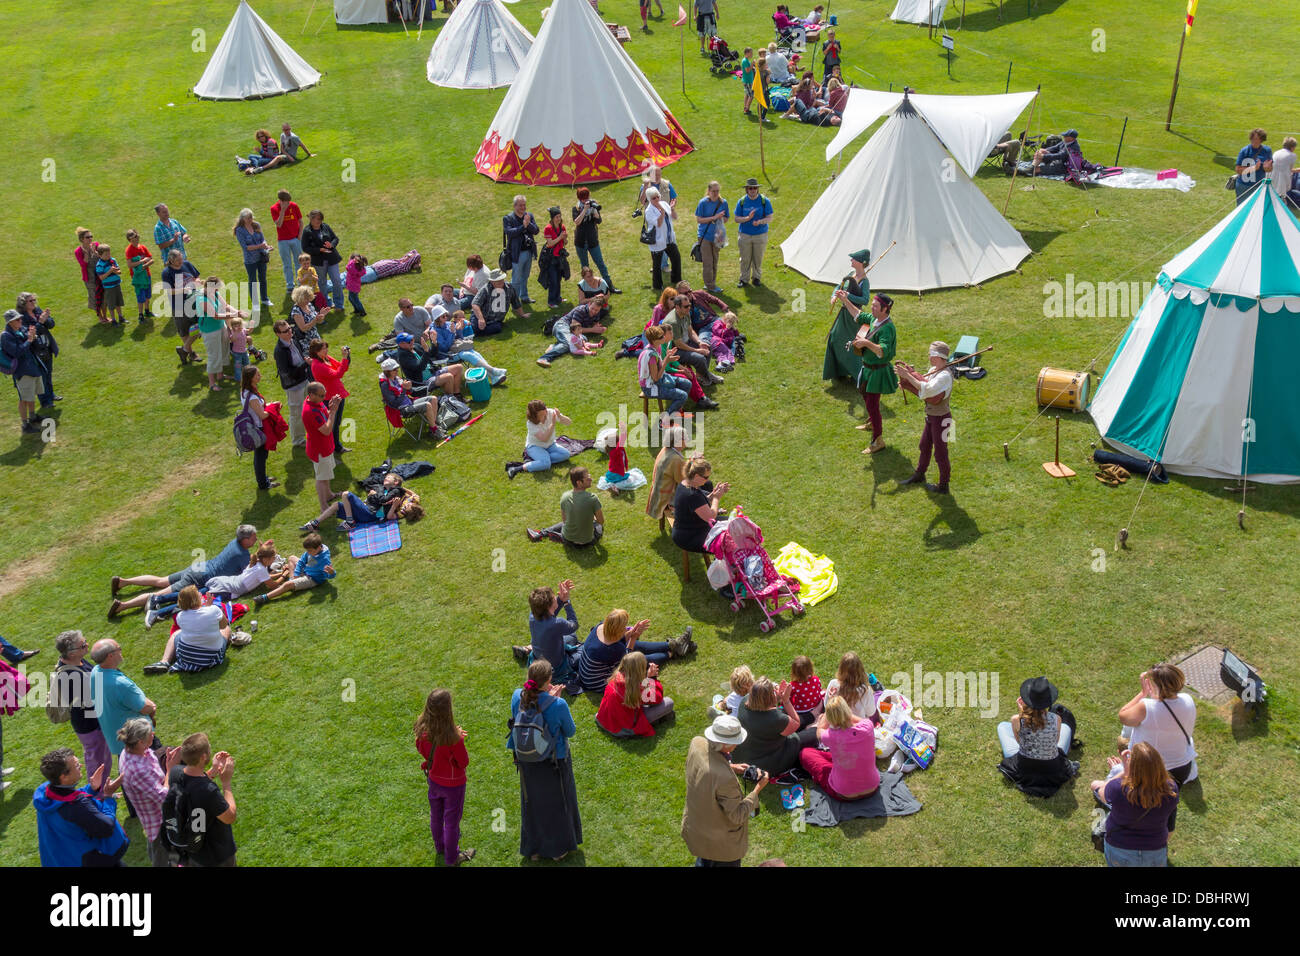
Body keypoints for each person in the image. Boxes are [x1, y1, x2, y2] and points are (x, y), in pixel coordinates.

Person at [509, 660, 581, 861]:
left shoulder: (517, 696)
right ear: (549, 680)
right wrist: (555, 701)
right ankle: (557, 850)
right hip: (554, 761)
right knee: (558, 804)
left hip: (526, 760)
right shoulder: (558, 704)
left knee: (532, 804)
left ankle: (534, 850)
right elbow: (570, 731)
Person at [108, 524, 261, 617]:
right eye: (253, 537)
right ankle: (123, 606)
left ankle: (123, 582)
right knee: (159, 594)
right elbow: (249, 573)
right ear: (245, 540)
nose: (255, 539)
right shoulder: (242, 554)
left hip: (199, 566)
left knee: (160, 580)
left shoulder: (234, 542)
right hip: (201, 577)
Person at [681, 714, 768, 867]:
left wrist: (731, 766)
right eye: (734, 742)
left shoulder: (697, 742)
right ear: (724, 744)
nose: (736, 746)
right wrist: (757, 789)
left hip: (697, 827)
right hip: (721, 845)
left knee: (703, 861)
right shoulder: (724, 779)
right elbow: (737, 815)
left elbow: (708, 764)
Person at [33, 748, 129, 867]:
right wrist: (109, 797)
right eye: (77, 766)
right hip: (91, 860)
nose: (81, 766)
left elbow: (64, 798)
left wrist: (91, 789)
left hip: (63, 858)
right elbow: (106, 827)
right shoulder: (78, 806)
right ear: (64, 777)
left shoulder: (44, 792)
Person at [1090, 742, 1180, 867]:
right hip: (1155, 849)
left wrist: (1124, 772)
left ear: (1133, 767)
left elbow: (1101, 791)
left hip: (1119, 847)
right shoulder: (1171, 789)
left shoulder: (1118, 788)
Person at [415, 688, 475, 866]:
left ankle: (440, 847)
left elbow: (422, 750)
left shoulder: (422, 732)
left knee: (436, 816)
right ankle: (452, 857)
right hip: (453, 786)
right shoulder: (453, 738)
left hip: (434, 780)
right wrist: (459, 739)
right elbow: (463, 762)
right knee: (451, 822)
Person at [114, 718, 182, 866]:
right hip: (159, 824)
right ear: (140, 742)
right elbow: (164, 797)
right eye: (150, 733)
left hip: (160, 819)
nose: (153, 734)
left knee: (174, 855)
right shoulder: (136, 770)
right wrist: (170, 769)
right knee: (163, 859)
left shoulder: (131, 751)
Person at [575, 610, 693, 693]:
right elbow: (628, 662)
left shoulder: (601, 627)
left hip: (589, 672)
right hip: (599, 683)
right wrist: (633, 637)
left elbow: (619, 640)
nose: (627, 627)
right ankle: (672, 653)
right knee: (638, 660)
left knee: (635, 644)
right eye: (624, 627)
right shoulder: (612, 649)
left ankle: (674, 644)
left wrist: (631, 633)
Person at [1117, 664, 1197, 786]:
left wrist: (1143, 693)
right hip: (1182, 768)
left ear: (1156, 687)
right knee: (1170, 800)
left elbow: (1123, 716)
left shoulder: (1146, 707)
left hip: (1151, 770)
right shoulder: (1188, 699)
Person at [49, 631, 108, 792]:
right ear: (72, 652)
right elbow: (88, 702)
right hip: (88, 724)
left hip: (93, 719)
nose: (87, 645)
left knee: (101, 756)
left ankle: (102, 789)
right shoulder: (69, 675)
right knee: (95, 759)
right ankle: (97, 793)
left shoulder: (77, 661)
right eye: (83, 645)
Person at [87, 639, 157, 772]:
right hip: (139, 739)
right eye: (119, 648)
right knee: (153, 772)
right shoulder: (120, 684)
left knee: (126, 775)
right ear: (110, 656)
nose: (121, 651)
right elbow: (146, 707)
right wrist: (152, 707)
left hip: (120, 741)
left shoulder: (96, 671)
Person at [171, 733, 239, 867]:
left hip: (195, 850)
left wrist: (213, 771)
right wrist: (226, 783)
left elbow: (194, 781)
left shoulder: (176, 774)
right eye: (208, 749)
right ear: (203, 757)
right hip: (216, 854)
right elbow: (229, 817)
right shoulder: (208, 791)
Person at [142, 585, 242, 674]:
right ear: (195, 599)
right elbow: (223, 625)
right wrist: (211, 607)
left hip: (186, 657)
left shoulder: (180, 616)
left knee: (176, 633)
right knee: (227, 630)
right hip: (210, 657)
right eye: (198, 593)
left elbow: (196, 624)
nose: (200, 594)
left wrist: (207, 608)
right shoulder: (213, 610)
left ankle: (164, 661)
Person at [896, 341, 954, 494]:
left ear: (937, 356)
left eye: (931, 354)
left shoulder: (945, 376)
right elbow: (924, 390)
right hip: (932, 417)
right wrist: (910, 381)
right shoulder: (934, 370)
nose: (929, 357)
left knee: (941, 452)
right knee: (924, 445)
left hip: (943, 419)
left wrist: (908, 376)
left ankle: (943, 485)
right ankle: (920, 475)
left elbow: (927, 390)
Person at [733, 676, 820, 775]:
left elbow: (765, 707)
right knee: (813, 733)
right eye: (773, 691)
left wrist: (778, 697)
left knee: (792, 718)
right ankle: (817, 721)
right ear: (770, 698)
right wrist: (786, 700)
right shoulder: (776, 719)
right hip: (767, 762)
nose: (775, 691)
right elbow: (796, 722)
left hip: (743, 755)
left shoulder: (744, 701)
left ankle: (814, 714)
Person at [799, 695, 880, 800]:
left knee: (805, 754)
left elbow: (819, 731)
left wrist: (827, 714)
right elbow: (852, 717)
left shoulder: (831, 736)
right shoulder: (868, 727)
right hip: (872, 787)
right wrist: (840, 709)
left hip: (844, 793)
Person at [848, 291, 899, 454]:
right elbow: (858, 315)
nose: (872, 307)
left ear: (884, 309)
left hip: (878, 372)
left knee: (872, 404)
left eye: (876, 306)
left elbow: (883, 351)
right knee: (865, 395)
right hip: (868, 368)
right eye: (872, 304)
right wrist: (844, 299)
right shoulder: (873, 319)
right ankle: (872, 423)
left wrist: (866, 343)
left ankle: (878, 440)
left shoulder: (887, 328)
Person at [514, 581, 581, 685]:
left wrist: (561, 600)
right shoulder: (557, 623)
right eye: (555, 597)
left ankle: (528, 649)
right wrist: (567, 602)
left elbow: (549, 614)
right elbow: (574, 625)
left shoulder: (533, 615)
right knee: (577, 643)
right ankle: (528, 649)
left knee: (569, 638)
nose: (556, 597)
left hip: (539, 656)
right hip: (556, 665)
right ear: (549, 606)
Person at [997, 676, 1074, 763]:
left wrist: (1022, 712)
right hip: (1051, 767)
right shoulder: (1057, 718)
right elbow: (1055, 743)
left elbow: (1020, 742)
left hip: (1024, 767)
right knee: (1065, 727)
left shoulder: (1016, 719)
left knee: (1002, 726)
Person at [597, 651, 674, 737]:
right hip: (623, 728)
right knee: (669, 702)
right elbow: (657, 698)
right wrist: (652, 678)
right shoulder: (634, 688)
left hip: (603, 720)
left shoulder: (615, 678)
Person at [528, 467, 604, 546]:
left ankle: (541, 534)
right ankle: (557, 536)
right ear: (579, 482)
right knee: (599, 528)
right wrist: (593, 519)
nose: (591, 479)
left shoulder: (565, 496)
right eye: (587, 478)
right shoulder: (592, 498)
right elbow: (601, 521)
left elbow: (564, 521)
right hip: (587, 542)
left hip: (568, 539)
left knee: (570, 520)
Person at [195, 277, 246, 391]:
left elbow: (226, 306)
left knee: (223, 350)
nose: (218, 291)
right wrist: (235, 314)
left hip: (220, 326)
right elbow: (216, 315)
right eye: (217, 288)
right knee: (214, 355)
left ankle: (220, 375)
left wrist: (237, 311)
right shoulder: (202, 299)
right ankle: (212, 383)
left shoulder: (215, 294)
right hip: (209, 331)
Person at [237, 365, 283, 491]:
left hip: (255, 427)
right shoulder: (251, 396)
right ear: (251, 378)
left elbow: (258, 409)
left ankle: (263, 478)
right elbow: (262, 415)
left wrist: (269, 405)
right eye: (257, 375)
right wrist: (274, 408)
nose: (260, 376)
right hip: (259, 429)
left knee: (261, 456)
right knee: (261, 456)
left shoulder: (245, 391)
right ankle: (263, 483)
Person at [255, 533, 336, 603]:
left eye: (310, 551)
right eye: (307, 550)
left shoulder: (324, 560)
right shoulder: (311, 551)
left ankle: (264, 597)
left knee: (287, 584)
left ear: (318, 548)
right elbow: (301, 562)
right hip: (306, 570)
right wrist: (296, 574)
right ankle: (292, 581)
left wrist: (332, 572)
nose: (308, 553)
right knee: (292, 558)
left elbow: (329, 576)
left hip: (312, 578)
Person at [671, 458, 728, 553]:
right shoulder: (691, 494)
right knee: (728, 543)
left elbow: (699, 504)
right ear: (697, 476)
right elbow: (711, 516)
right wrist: (716, 498)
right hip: (689, 536)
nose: (708, 480)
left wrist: (712, 495)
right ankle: (723, 565)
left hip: (695, 525)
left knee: (734, 523)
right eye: (706, 477)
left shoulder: (687, 483)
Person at [2, 310, 45, 434]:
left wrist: (32, 335)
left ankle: (32, 417)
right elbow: (17, 352)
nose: (21, 321)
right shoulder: (6, 336)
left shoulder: (19, 330)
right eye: (17, 320)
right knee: (24, 399)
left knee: (31, 395)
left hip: (31, 367)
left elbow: (30, 341)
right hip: (22, 371)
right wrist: (29, 340)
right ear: (10, 322)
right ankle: (25, 425)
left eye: (20, 318)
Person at [638, 325, 692, 422]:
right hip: (650, 387)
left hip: (659, 379)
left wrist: (668, 357)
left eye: (663, 335)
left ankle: (676, 412)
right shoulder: (651, 356)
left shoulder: (656, 347)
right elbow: (656, 378)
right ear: (654, 340)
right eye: (661, 337)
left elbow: (659, 368)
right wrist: (666, 361)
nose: (663, 337)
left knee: (687, 383)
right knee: (682, 395)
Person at [308, 340, 351, 456]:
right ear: (316, 352)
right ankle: (329, 450)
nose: (326, 350)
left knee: (336, 423)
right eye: (323, 349)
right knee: (330, 425)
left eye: (326, 348)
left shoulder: (326, 358)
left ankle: (337, 447)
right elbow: (338, 374)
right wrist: (344, 358)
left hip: (337, 394)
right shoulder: (317, 366)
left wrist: (347, 358)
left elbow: (341, 367)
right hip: (329, 399)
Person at [303, 382, 343, 510]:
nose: (324, 398)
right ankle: (323, 506)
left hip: (325, 446)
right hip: (319, 449)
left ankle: (329, 495)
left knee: (326, 474)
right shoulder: (310, 411)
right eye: (321, 396)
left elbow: (324, 412)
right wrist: (333, 412)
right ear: (311, 394)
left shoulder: (314, 402)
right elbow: (326, 430)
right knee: (321, 478)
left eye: (325, 394)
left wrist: (330, 407)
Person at [508, 400, 572, 478]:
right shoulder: (530, 424)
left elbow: (569, 422)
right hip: (535, 446)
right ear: (535, 415)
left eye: (545, 410)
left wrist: (560, 416)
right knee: (546, 464)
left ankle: (539, 462)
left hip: (550, 444)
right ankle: (516, 469)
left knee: (566, 454)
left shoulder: (550, 412)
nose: (546, 413)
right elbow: (544, 439)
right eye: (542, 413)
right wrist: (552, 424)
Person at [272, 319, 311, 447]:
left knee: (308, 408)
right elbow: (288, 373)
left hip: (304, 380)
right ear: (278, 334)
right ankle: (298, 440)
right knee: (296, 413)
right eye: (286, 331)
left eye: (290, 328)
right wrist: (305, 364)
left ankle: (308, 432)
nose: (290, 332)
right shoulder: (279, 351)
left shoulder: (292, 340)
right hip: (294, 386)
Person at [572, 188, 619, 293]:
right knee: (585, 267)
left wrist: (595, 211)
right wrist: (584, 210)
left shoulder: (593, 205)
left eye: (587, 198)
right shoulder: (576, 208)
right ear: (580, 199)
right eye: (584, 199)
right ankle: (587, 290)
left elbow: (599, 221)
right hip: (580, 242)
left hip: (593, 241)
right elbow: (577, 222)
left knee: (601, 264)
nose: (586, 200)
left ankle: (610, 287)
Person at [536, 300, 605, 368]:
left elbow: (595, 323)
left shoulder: (597, 313)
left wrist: (598, 328)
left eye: (596, 310)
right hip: (562, 325)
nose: (593, 311)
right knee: (569, 344)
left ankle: (554, 347)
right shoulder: (580, 310)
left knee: (583, 339)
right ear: (589, 304)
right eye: (592, 308)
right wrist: (593, 330)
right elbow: (575, 329)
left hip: (572, 331)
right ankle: (544, 358)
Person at [380, 358, 441, 433]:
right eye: (394, 369)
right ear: (387, 372)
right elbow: (395, 404)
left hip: (409, 402)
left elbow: (410, 392)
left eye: (397, 368)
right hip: (402, 410)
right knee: (427, 405)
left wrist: (409, 388)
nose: (397, 370)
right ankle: (434, 430)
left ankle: (433, 426)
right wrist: (404, 389)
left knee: (433, 398)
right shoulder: (385, 385)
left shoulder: (396, 378)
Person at [162, 250, 201, 363]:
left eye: (181, 259)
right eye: (178, 260)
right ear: (171, 261)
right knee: (184, 331)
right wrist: (183, 289)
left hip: (194, 301)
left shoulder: (187, 264)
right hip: (179, 306)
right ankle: (191, 353)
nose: (181, 262)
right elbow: (169, 291)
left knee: (200, 325)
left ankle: (184, 350)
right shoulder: (167, 272)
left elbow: (197, 277)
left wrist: (196, 282)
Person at [301, 210, 344, 311]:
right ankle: (326, 304)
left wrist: (331, 245)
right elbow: (305, 248)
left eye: (320, 219)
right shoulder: (307, 231)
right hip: (319, 262)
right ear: (311, 219)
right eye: (317, 219)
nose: (319, 222)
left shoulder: (325, 226)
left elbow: (335, 238)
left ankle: (339, 304)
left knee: (337, 281)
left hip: (331, 259)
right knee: (322, 283)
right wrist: (319, 250)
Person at [234, 208, 274, 314]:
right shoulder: (239, 230)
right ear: (243, 219)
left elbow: (262, 238)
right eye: (248, 218)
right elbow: (246, 247)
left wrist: (266, 245)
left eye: (251, 217)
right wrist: (260, 246)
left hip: (261, 256)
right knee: (253, 281)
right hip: (250, 260)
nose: (250, 220)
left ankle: (265, 299)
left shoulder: (256, 225)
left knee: (263, 278)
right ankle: (255, 304)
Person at [646, 425, 691, 521]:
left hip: (658, 491)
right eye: (685, 437)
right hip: (667, 497)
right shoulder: (676, 459)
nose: (687, 438)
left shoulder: (665, 450)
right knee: (699, 488)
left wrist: (691, 461)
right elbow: (683, 481)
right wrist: (694, 464)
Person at [734, 178, 773, 288]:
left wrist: (760, 222)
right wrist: (747, 218)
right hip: (744, 234)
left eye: (755, 188)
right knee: (745, 258)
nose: (752, 190)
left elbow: (770, 218)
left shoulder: (764, 201)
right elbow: (736, 219)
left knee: (758, 258)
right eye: (750, 188)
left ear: (757, 189)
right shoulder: (741, 201)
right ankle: (744, 279)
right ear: (746, 189)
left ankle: (756, 278)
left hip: (760, 235)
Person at [503, 195, 540, 304]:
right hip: (517, 253)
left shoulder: (529, 216)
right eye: (520, 205)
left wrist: (528, 224)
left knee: (525, 276)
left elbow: (536, 231)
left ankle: (524, 297)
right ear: (515, 206)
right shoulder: (508, 218)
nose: (523, 207)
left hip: (528, 251)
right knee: (516, 279)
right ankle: (514, 301)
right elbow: (510, 232)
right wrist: (523, 226)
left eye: (524, 205)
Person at [694, 181, 730, 293]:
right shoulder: (703, 203)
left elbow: (726, 218)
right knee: (708, 262)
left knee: (715, 260)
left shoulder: (723, 202)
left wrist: (720, 220)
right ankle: (710, 285)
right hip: (704, 236)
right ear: (709, 191)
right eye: (713, 191)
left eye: (717, 191)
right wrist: (714, 217)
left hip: (718, 236)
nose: (715, 193)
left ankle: (710, 283)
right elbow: (699, 219)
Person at [471, 269, 530, 335]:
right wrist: (481, 319)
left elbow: (515, 301)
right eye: (498, 281)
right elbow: (475, 304)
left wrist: (522, 314)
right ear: (492, 282)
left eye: (501, 280)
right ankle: (476, 330)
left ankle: (476, 332)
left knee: (497, 328)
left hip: (495, 321)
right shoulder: (485, 289)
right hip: (481, 316)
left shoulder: (509, 288)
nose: (501, 282)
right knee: (476, 327)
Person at [644, 186, 682, 291]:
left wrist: (672, 208)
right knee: (657, 265)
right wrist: (662, 213)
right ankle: (657, 285)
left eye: (657, 196)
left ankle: (676, 280)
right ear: (649, 199)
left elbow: (675, 217)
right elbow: (659, 224)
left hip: (669, 239)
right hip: (658, 241)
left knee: (676, 258)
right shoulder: (649, 211)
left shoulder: (664, 204)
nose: (656, 199)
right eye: (653, 198)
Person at [824, 651, 878, 722]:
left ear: (841, 669)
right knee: (877, 697)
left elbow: (826, 705)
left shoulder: (833, 684)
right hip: (857, 726)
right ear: (861, 670)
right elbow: (871, 712)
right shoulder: (865, 690)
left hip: (836, 724)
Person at [270, 190, 304, 295]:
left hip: (295, 239)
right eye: (286, 202)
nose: (288, 204)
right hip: (283, 241)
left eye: (289, 201)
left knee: (299, 261)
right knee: (287, 264)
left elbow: (301, 221)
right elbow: (279, 224)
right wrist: (283, 211)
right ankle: (290, 285)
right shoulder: (274, 208)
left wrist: (300, 235)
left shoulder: (294, 206)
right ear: (280, 201)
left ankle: (300, 282)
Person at [538, 206, 569, 310]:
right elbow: (550, 243)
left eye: (559, 216)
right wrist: (560, 237)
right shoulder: (548, 228)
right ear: (552, 218)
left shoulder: (562, 227)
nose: (559, 219)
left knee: (559, 278)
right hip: (551, 258)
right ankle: (551, 301)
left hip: (559, 257)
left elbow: (565, 243)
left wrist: (564, 239)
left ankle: (558, 298)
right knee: (553, 280)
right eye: (556, 217)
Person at [74, 227, 107, 322]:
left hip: (100, 274)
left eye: (91, 236)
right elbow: (83, 265)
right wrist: (87, 255)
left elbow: (103, 257)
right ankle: (100, 316)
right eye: (87, 237)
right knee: (95, 297)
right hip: (89, 277)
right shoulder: (78, 251)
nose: (90, 239)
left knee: (104, 295)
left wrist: (95, 252)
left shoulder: (96, 245)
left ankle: (105, 315)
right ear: (82, 239)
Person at [1235, 127, 1273, 205]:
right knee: (1243, 208)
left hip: (1259, 186)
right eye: (1253, 138)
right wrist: (1254, 168)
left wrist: (1267, 168)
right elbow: (1238, 169)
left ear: (1262, 140)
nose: (1254, 141)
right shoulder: (1244, 151)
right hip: (1244, 186)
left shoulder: (1267, 150)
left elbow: (1269, 169)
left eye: (1257, 139)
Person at [123, 231, 154, 323]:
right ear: (129, 240)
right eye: (133, 238)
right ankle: (140, 315)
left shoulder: (143, 247)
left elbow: (152, 260)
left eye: (136, 236)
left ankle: (147, 311)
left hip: (147, 275)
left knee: (148, 294)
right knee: (140, 296)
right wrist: (142, 261)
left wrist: (145, 265)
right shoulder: (129, 250)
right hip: (138, 278)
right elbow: (130, 265)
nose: (136, 239)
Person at [94, 243, 126, 324]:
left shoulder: (113, 260)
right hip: (109, 287)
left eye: (109, 253)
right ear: (100, 255)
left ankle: (121, 317)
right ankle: (114, 320)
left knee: (118, 302)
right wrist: (110, 271)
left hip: (117, 285)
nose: (108, 255)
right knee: (111, 305)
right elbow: (101, 277)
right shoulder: (99, 265)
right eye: (106, 254)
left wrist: (115, 271)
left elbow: (119, 271)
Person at [789, 655, 824, 728]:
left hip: (800, 711)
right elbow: (819, 690)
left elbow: (789, 698)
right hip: (815, 706)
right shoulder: (816, 679)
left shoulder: (793, 685)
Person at [1272, 136, 1297, 201]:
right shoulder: (1293, 156)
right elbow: (1290, 170)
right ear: (1292, 147)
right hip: (1283, 181)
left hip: (1273, 178)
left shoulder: (1276, 153)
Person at [741, 47, 756, 115]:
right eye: (751, 53)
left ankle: (745, 107)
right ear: (747, 53)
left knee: (747, 94)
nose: (752, 54)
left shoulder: (746, 60)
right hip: (748, 81)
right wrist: (752, 64)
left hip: (747, 80)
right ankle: (747, 109)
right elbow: (747, 71)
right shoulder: (745, 61)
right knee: (751, 95)